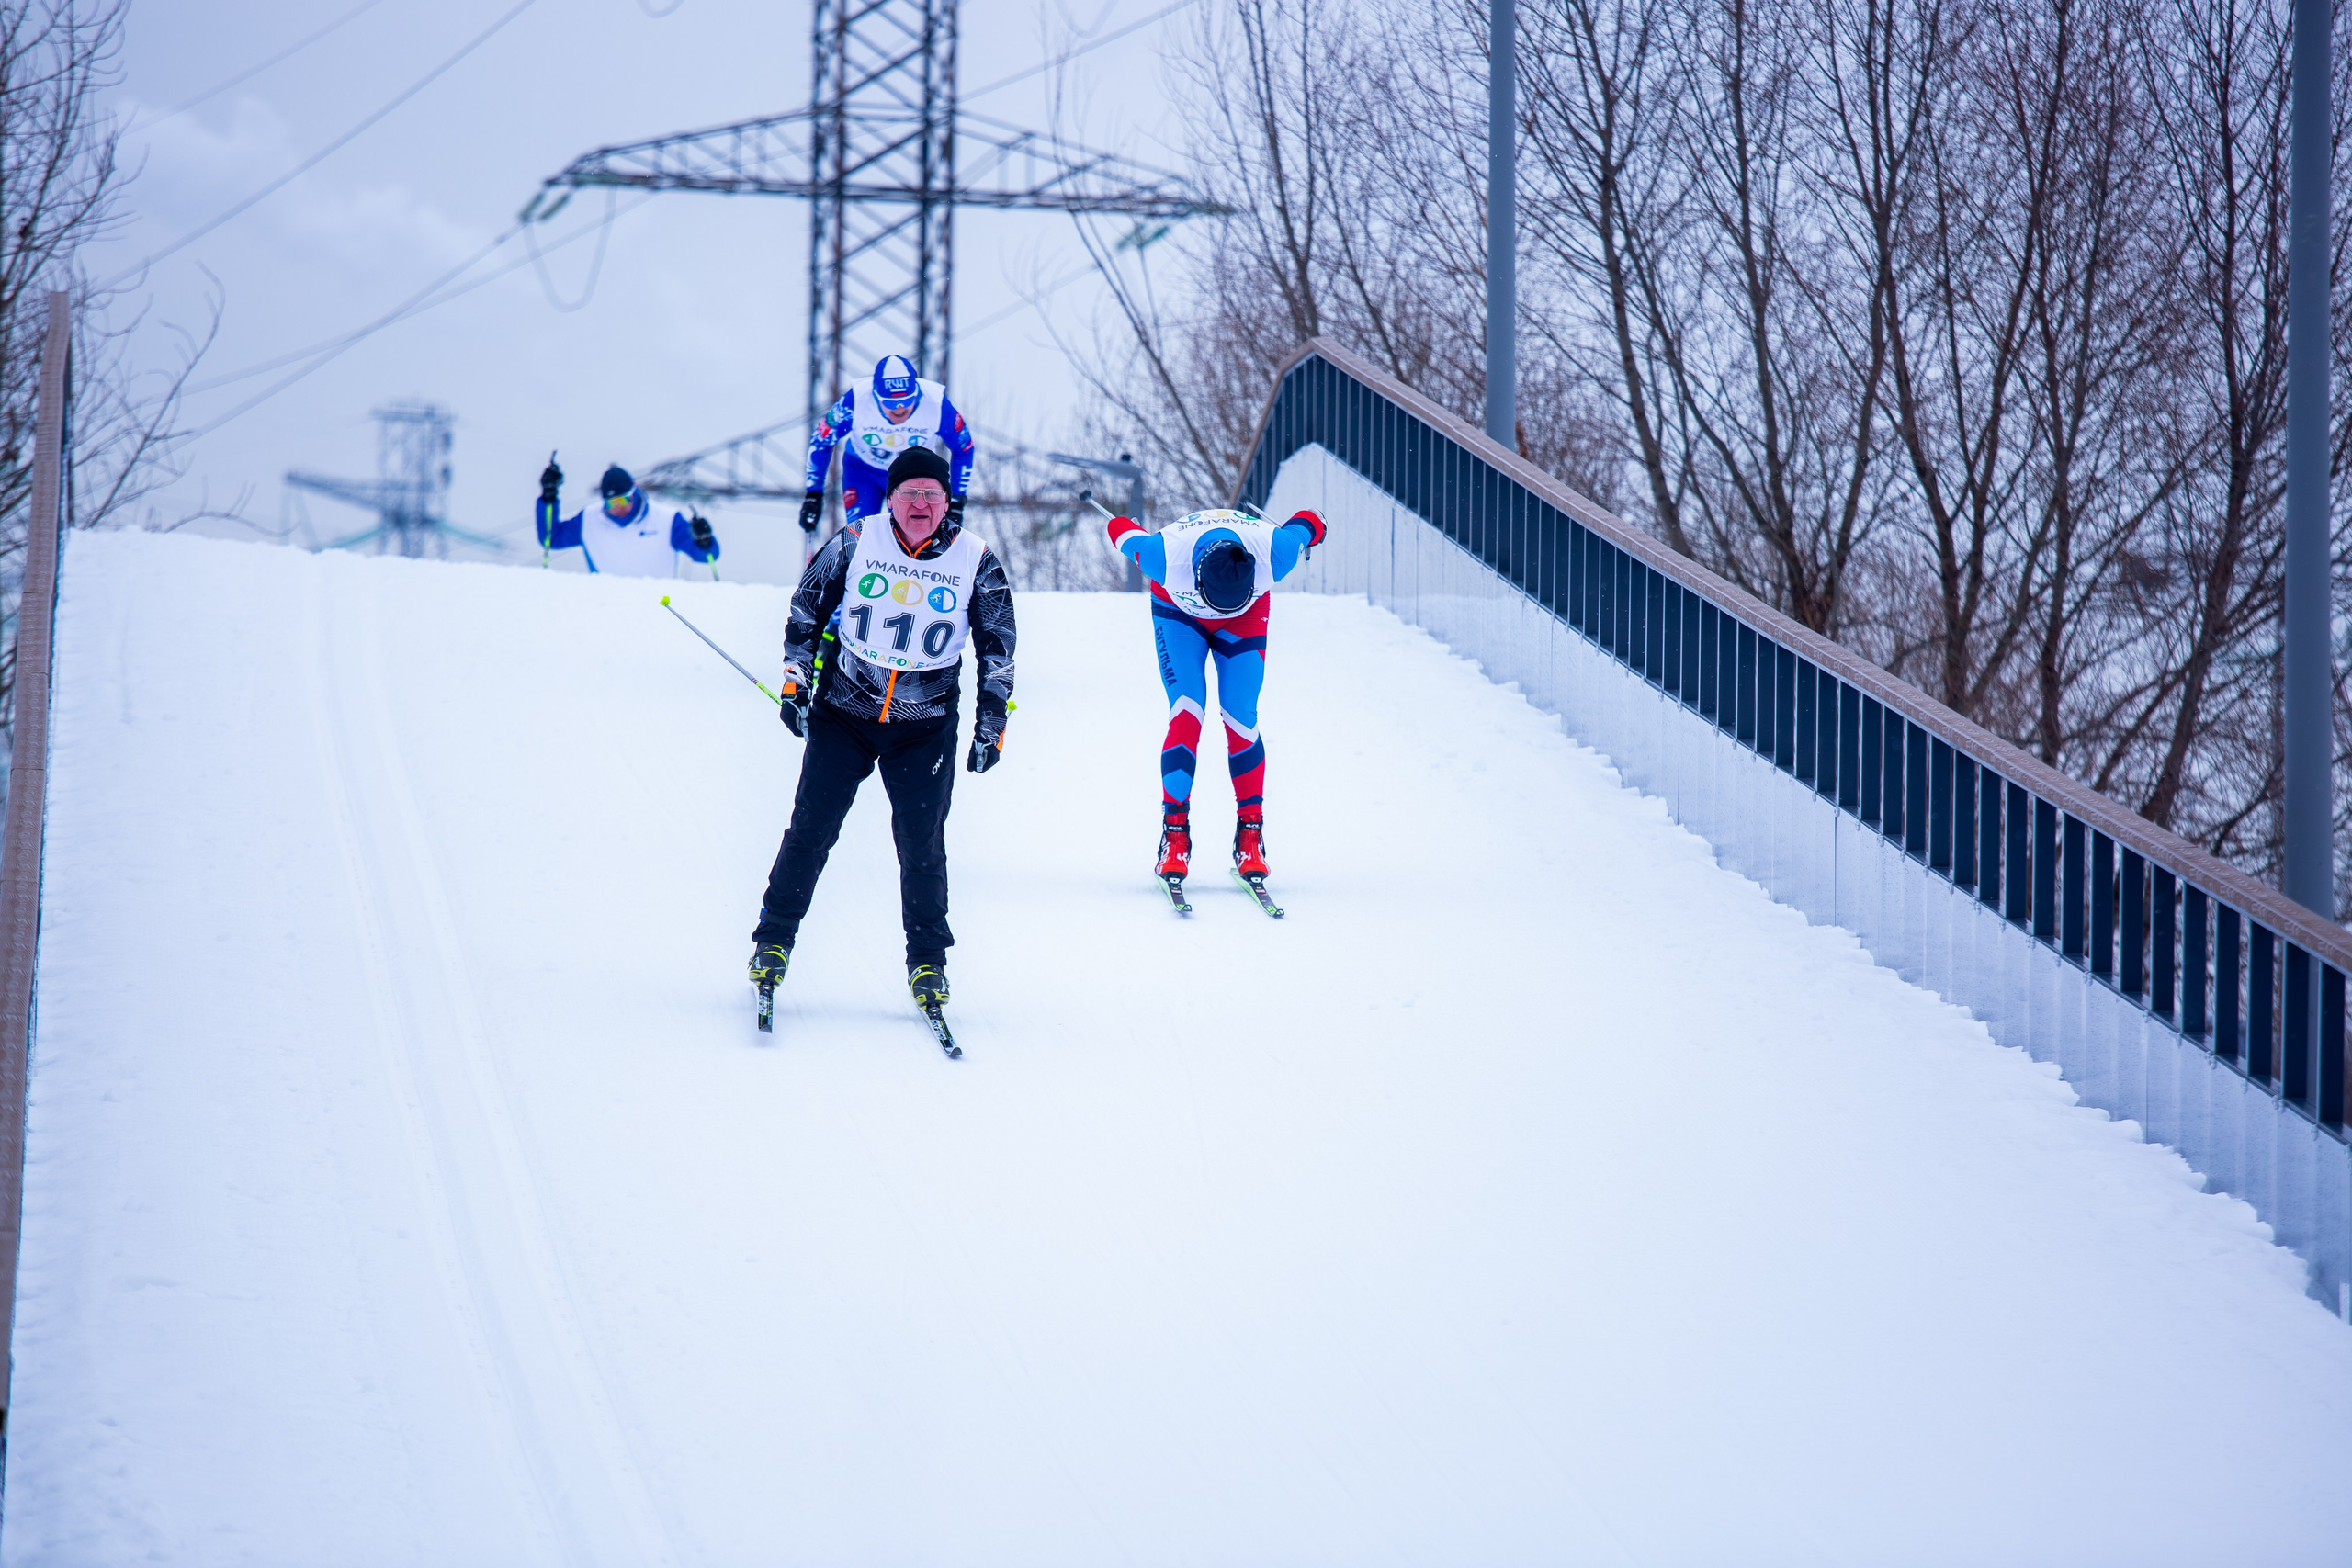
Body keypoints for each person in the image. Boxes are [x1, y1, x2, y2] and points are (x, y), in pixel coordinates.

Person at [750, 446, 1016, 1016]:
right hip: (843, 713)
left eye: (932, 495)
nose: (920, 505)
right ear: (890, 497)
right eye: (909, 493)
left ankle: (928, 962)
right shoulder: (855, 540)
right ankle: (773, 942)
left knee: (921, 845)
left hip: (924, 726)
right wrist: (796, 684)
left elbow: (999, 649)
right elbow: (805, 612)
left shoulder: (975, 559)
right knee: (811, 832)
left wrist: (989, 726)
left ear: (948, 501)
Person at [1105, 502, 1327, 893]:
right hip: (1179, 617)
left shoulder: (1276, 550)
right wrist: (1128, 525)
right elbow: (1121, 533)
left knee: (1241, 716)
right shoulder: (1162, 555)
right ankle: (1175, 836)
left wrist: (1317, 526)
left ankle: (1250, 836)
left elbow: (1308, 521)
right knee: (1187, 712)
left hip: (1245, 620)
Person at [798, 355, 976, 537]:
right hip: (864, 473)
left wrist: (956, 501)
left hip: (913, 479)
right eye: (890, 404)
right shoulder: (857, 401)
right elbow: (821, 440)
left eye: (907, 401)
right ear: (875, 396)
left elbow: (964, 447)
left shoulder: (935, 404)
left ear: (917, 394)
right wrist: (814, 494)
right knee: (862, 537)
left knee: (910, 538)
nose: (899, 408)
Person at [536, 459, 719, 578]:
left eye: (623, 500)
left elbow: (705, 555)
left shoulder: (667, 519)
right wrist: (548, 498)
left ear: (635, 491)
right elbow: (551, 539)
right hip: (607, 607)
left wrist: (704, 539)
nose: (618, 507)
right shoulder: (589, 519)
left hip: (661, 607)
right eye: (611, 502)